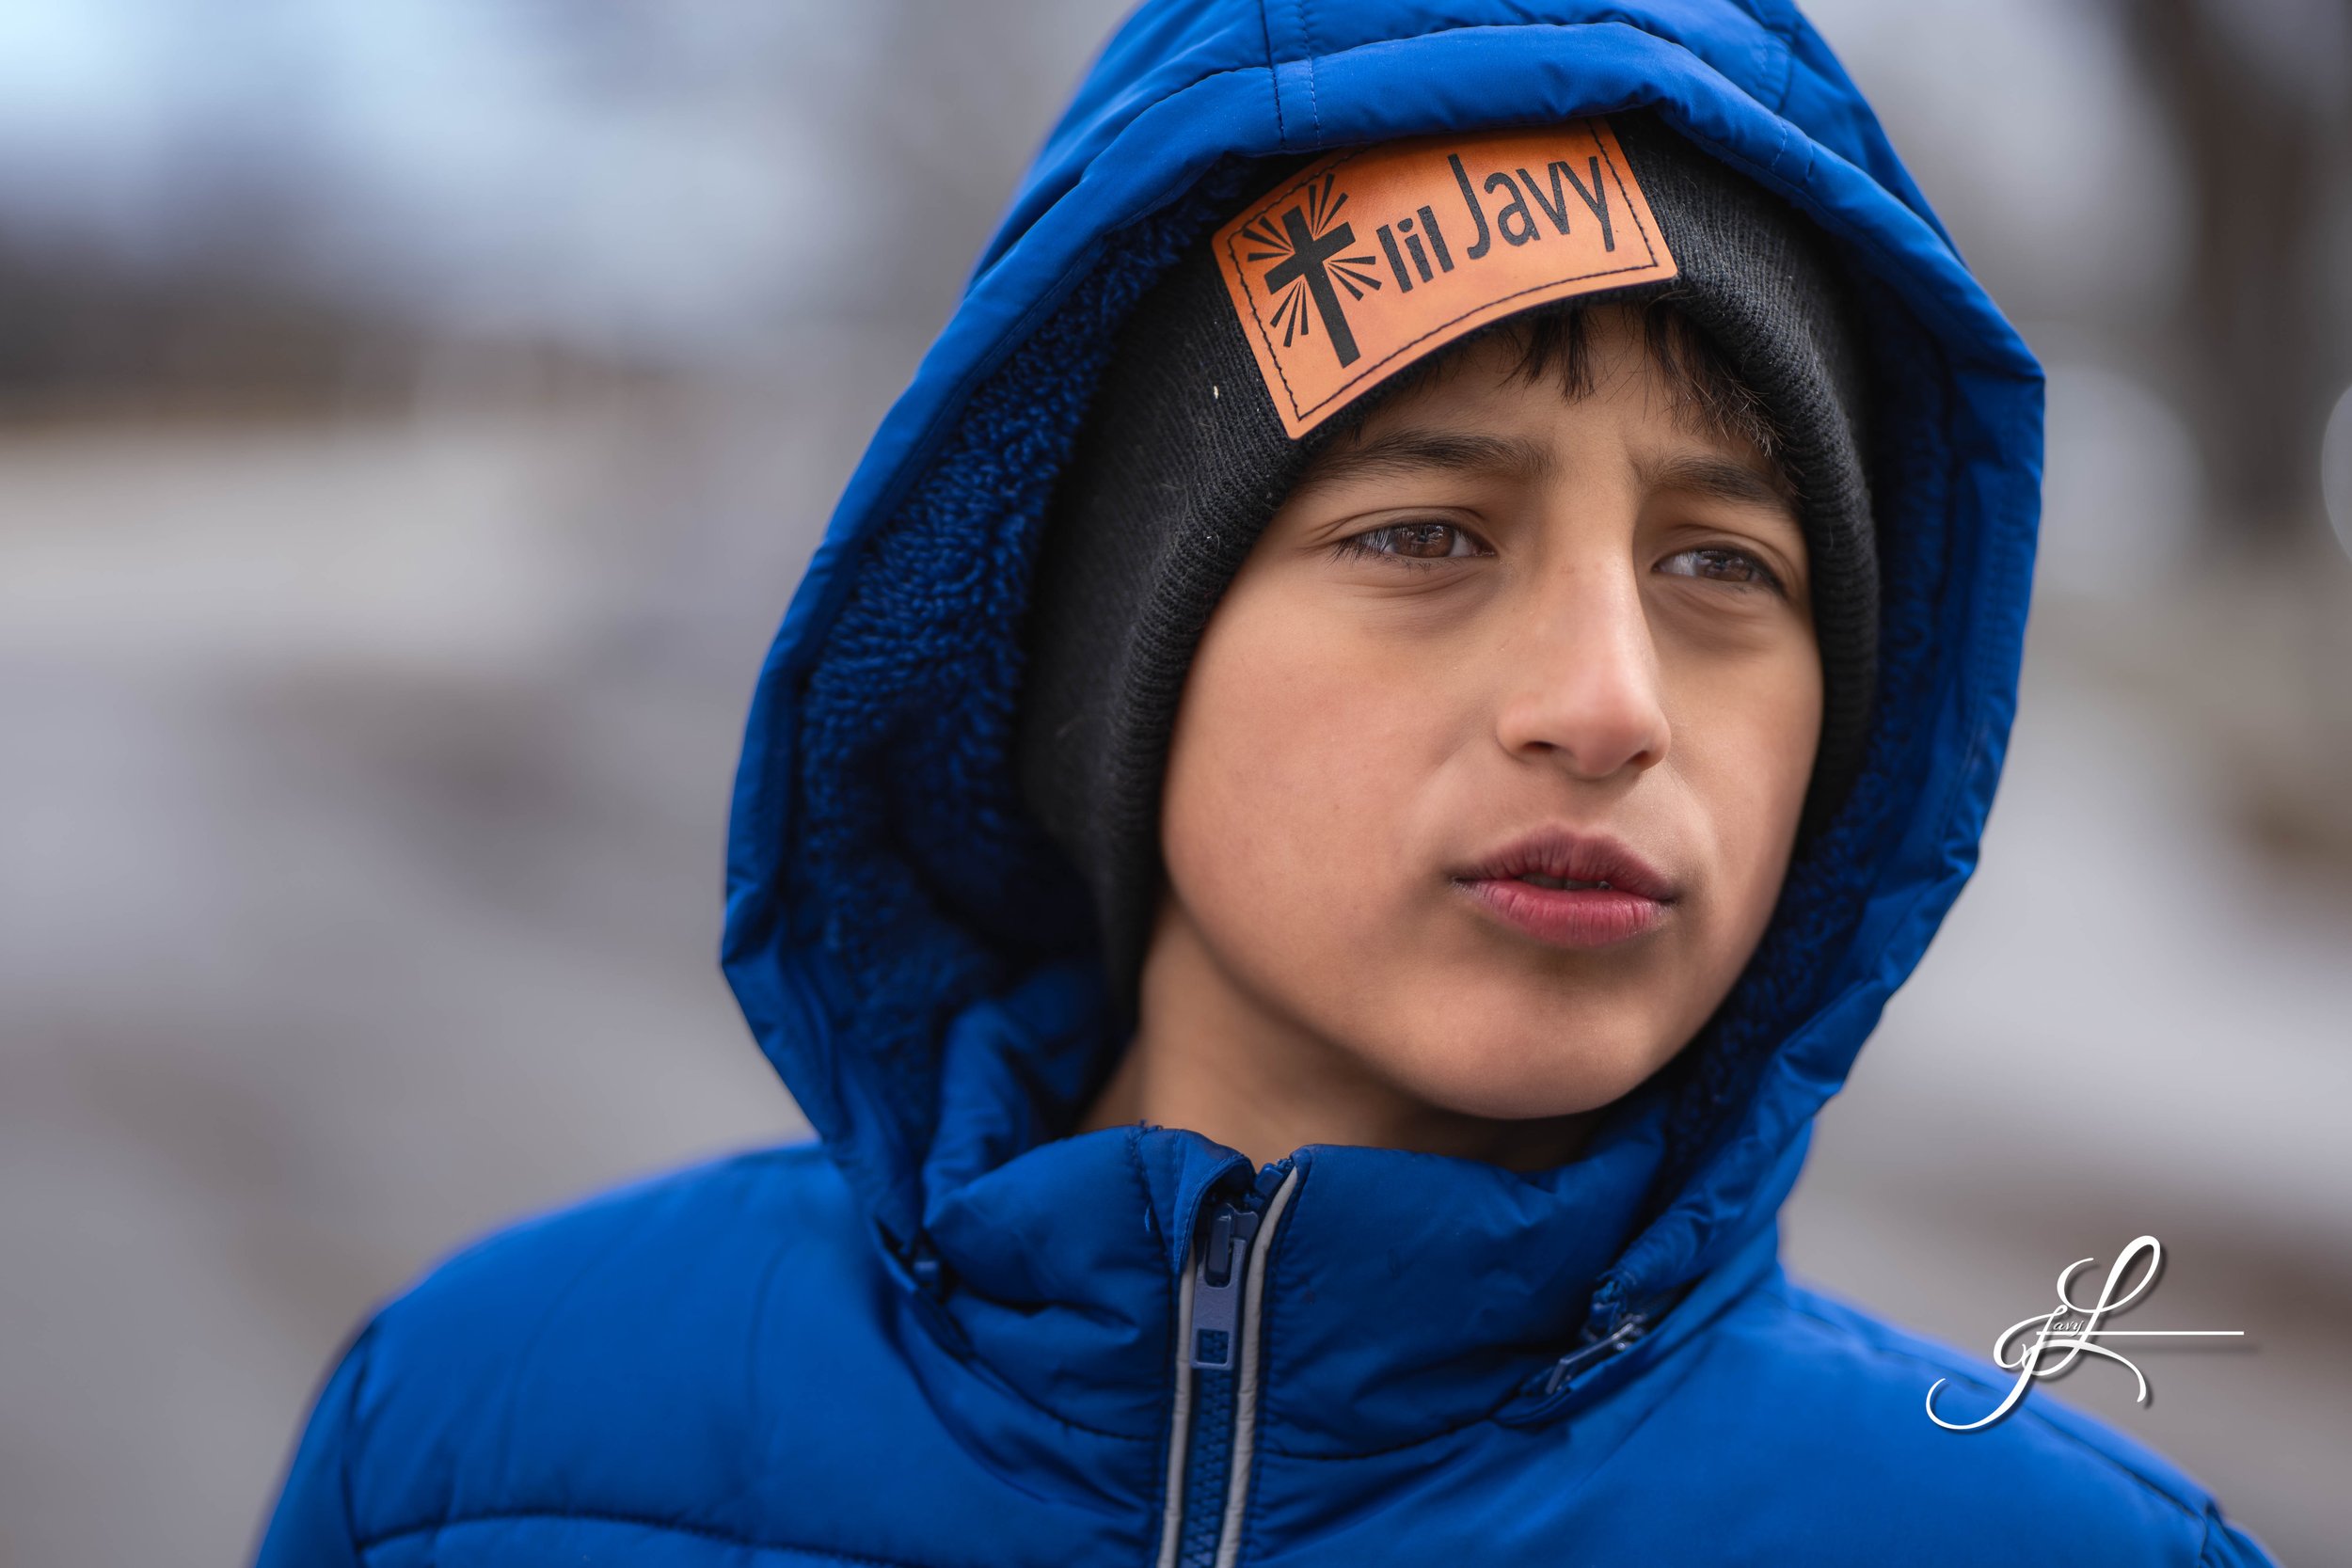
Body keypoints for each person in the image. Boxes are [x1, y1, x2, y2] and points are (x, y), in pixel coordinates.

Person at [255, 5, 2280, 1564]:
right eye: (1423, 538)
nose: (1605, 701)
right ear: (1100, 672)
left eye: (1717, 566)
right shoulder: (478, 1444)